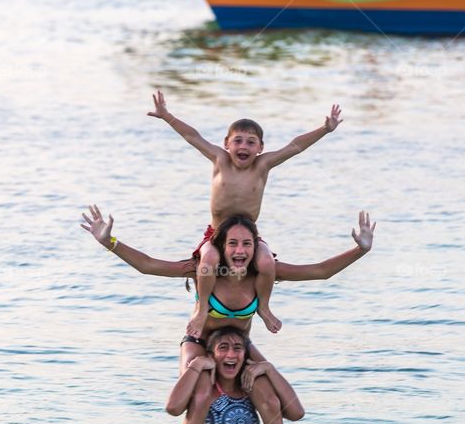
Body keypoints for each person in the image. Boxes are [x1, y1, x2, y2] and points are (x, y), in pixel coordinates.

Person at [80, 204, 376, 421]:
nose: (240, 250)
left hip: (239, 348)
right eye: (232, 243)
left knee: (286, 408)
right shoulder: (203, 270)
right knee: (197, 397)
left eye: (247, 244)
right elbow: (148, 265)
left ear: (255, 249)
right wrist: (109, 242)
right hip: (198, 345)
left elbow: (320, 271)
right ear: (221, 247)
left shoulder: (262, 274)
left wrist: (360, 250)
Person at [147, 90, 343, 339]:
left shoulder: (263, 165)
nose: (243, 146)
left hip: (248, 237)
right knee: (207, 263)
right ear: (226, 144)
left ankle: (263, 306)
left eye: (251, 142)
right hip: (217, 235)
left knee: (266, 263)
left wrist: (323, 130)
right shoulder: (219, 159)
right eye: (237, 140)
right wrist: (167, 116)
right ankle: (201, 308)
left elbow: (295, 146)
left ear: (261, 148)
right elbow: (191, 136)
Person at [166, 326, 296, 424]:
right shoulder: (205, 389)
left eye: (237, 348)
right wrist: (197, 364)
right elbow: (173, 408)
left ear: (244, 355)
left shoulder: (249, 388)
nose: (231, 354)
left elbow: (296, 413)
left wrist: (269, 368)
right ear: (212, 356)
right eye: (223, 347)